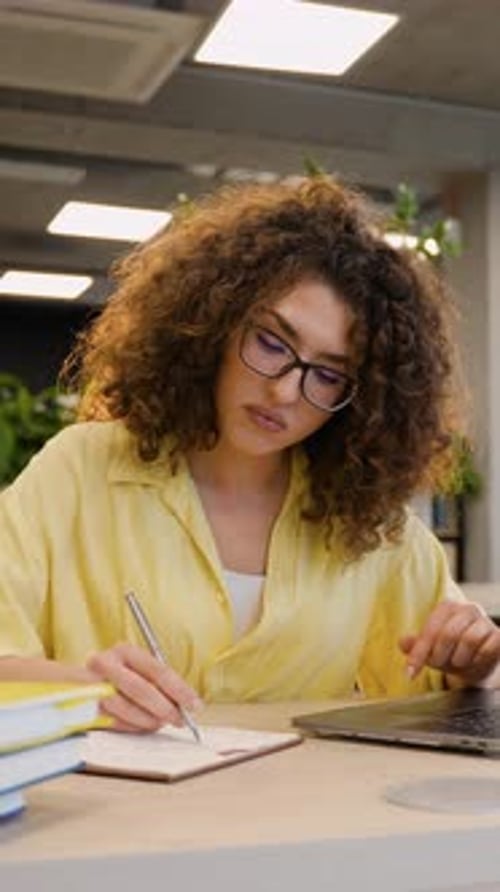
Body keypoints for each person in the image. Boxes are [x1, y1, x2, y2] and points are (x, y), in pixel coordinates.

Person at [1, 176, 499, 734]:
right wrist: (85, 691)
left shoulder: (366, 519)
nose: (285, 391)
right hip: (117, 815)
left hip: (299, 816)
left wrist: (470, 665)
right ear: (212, 322)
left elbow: (432, 679)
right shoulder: (83, 468)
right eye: (271, 342)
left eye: (329, 374)